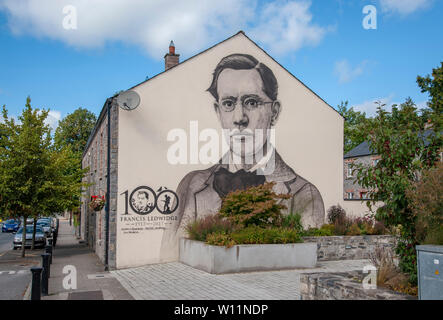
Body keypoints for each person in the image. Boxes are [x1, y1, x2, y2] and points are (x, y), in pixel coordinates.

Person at [161, 53, 324, 258]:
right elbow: (168, 259)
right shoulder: (191, 184)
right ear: (218, 111)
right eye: (228, 104)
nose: (239, 118)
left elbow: (302, 259)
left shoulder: (304, 193)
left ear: (274, 112)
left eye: (252, 102)